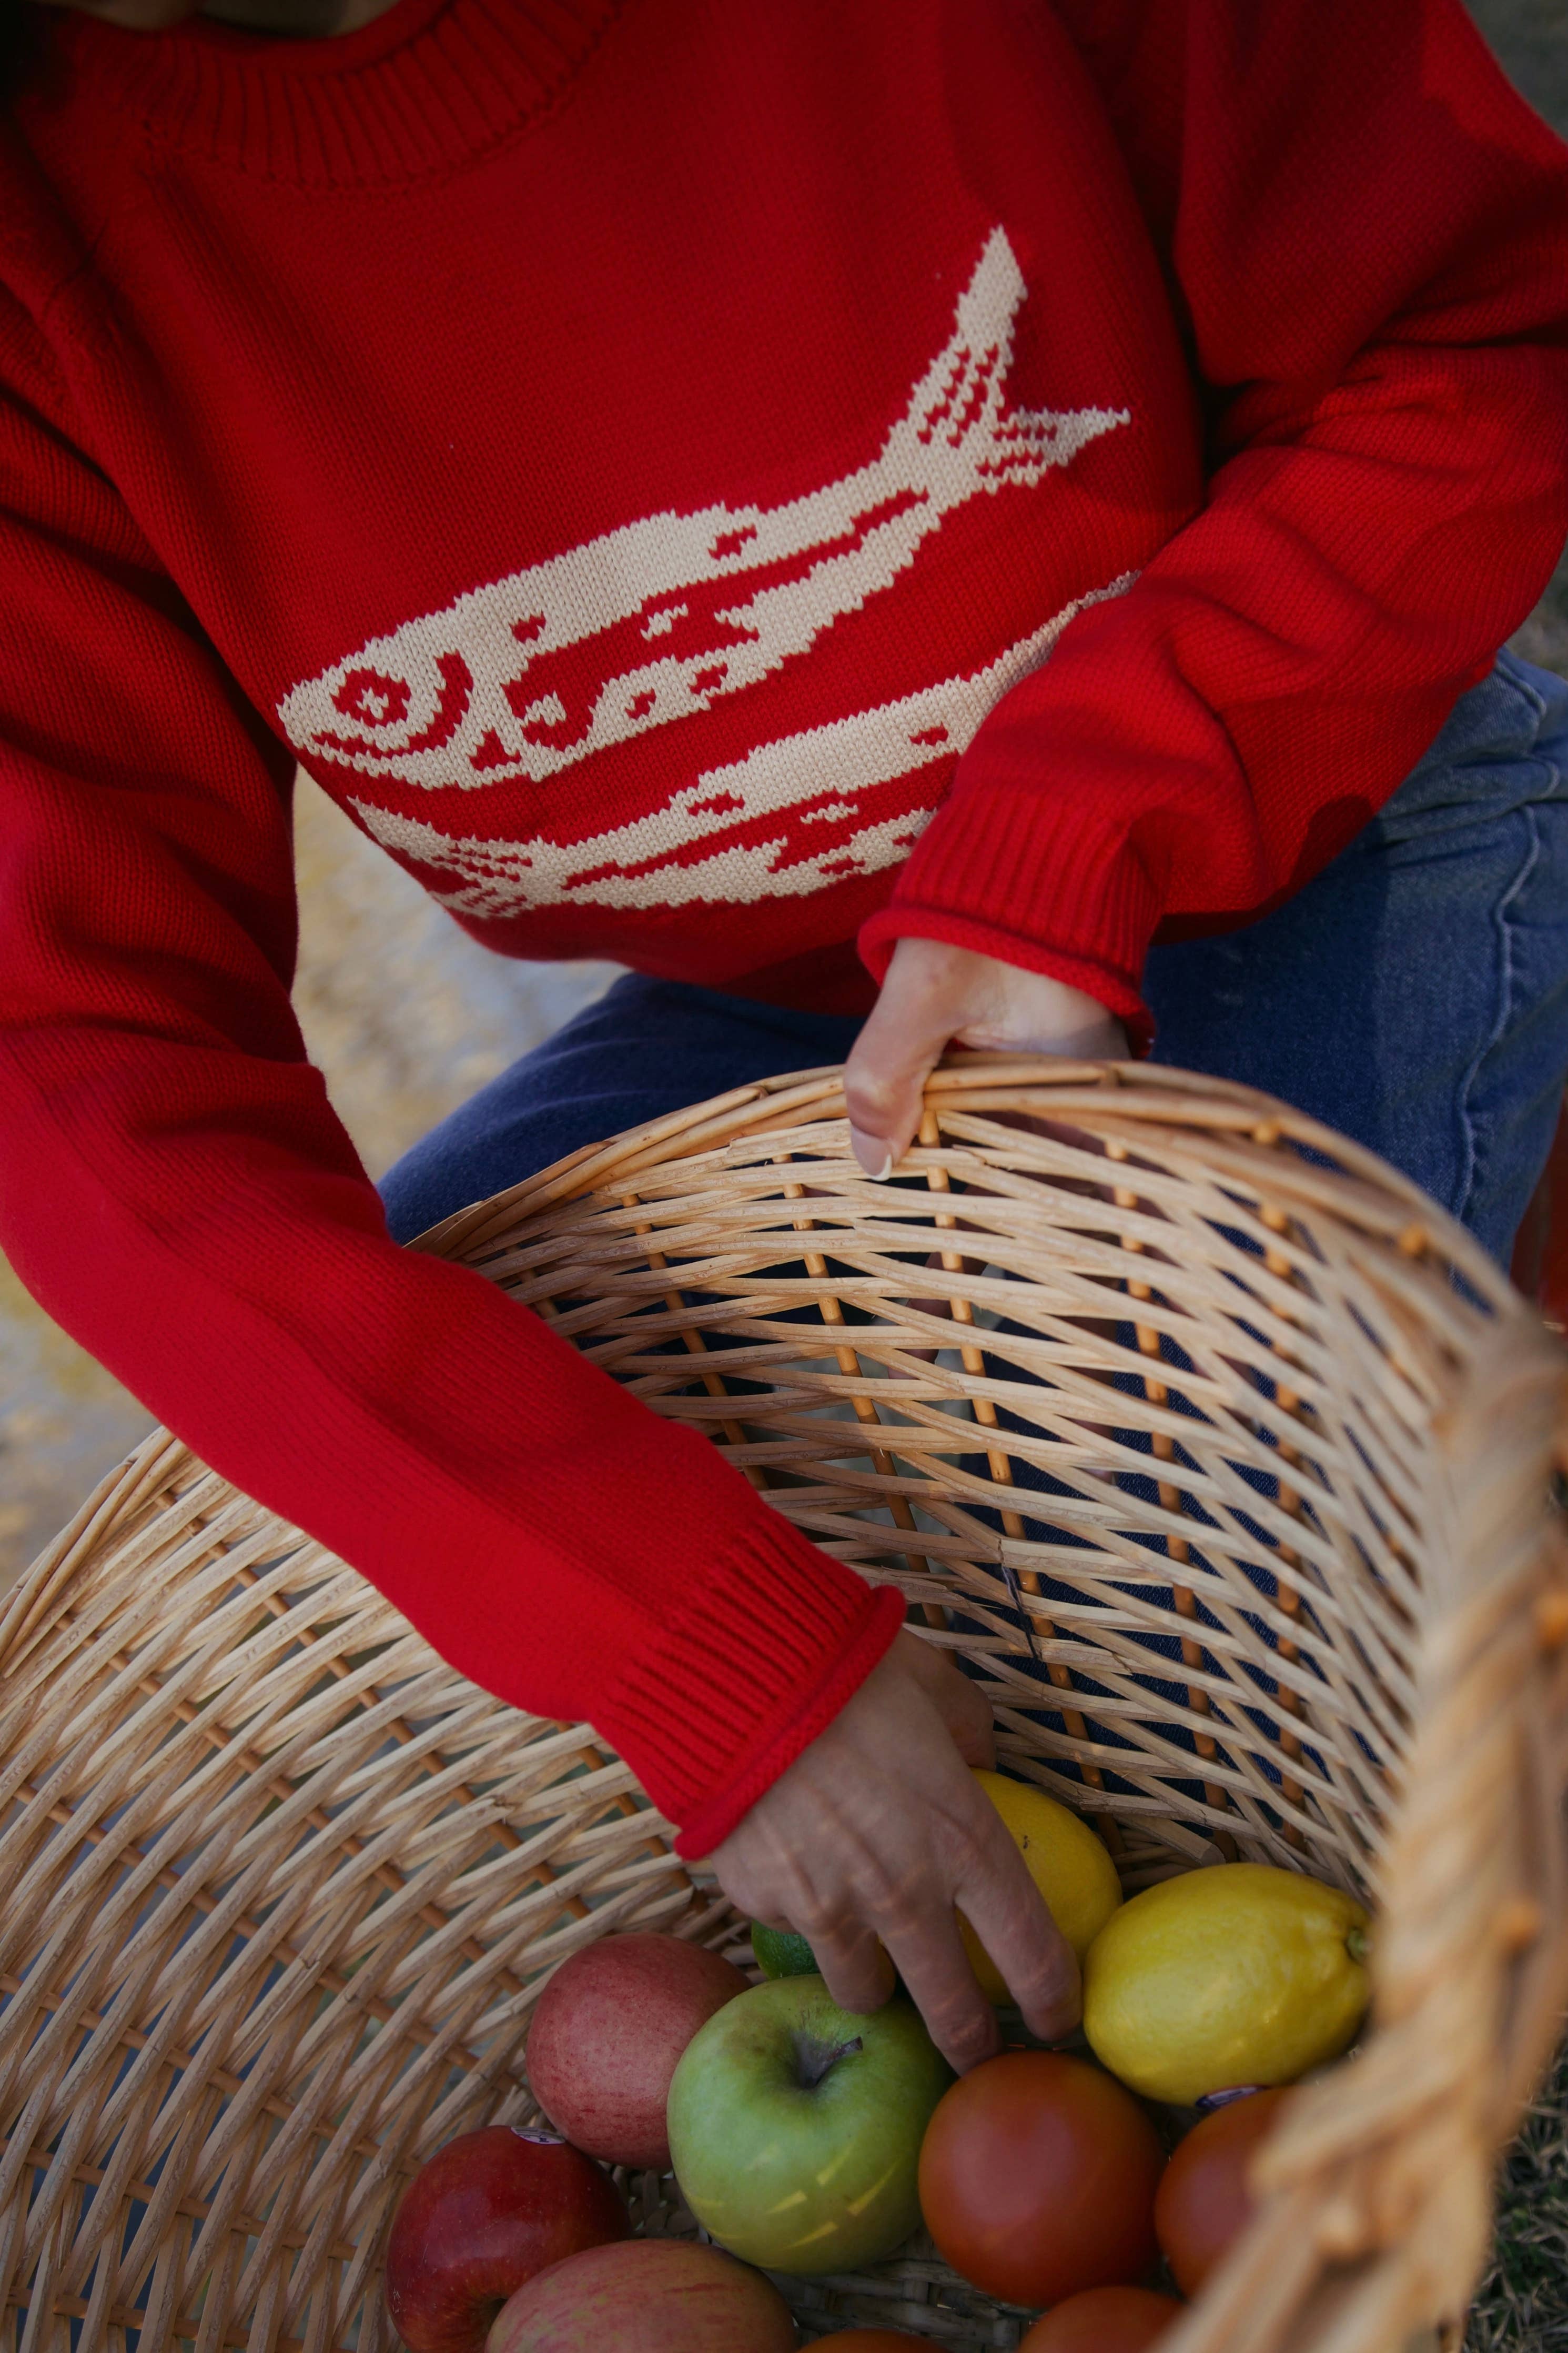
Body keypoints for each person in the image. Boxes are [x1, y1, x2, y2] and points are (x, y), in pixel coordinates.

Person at [3, 0, 1567, 2075]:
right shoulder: (42, 242)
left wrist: (1083, 822)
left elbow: (1480, 328)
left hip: (1309, 829)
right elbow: (78, 1061)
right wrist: (688, 1640)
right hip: (795, 1014)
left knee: (1174, 1609)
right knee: (404, 1536)